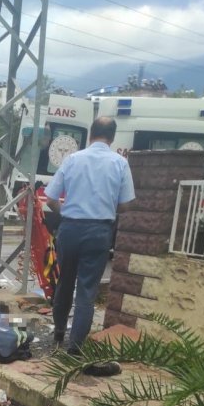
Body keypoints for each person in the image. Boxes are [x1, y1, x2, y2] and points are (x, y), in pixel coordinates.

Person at [45, 116, 135, 376]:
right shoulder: (120, 163)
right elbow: (127, 204)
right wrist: (106, 206)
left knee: (65, 283)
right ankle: (75, 349)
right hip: (98, 231)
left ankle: (58, 337)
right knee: (86, 291)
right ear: (112, 137)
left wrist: (66, 213)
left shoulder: (73, 159)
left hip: (70, 228)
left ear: (91, 134)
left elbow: (51, 198)